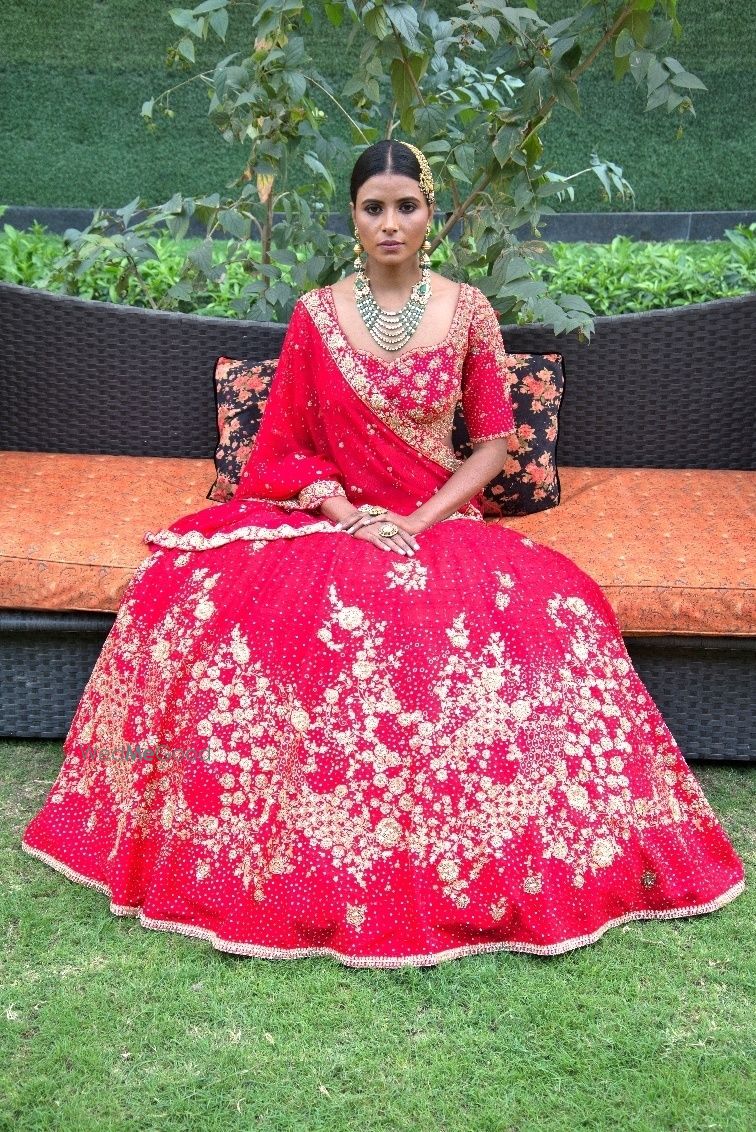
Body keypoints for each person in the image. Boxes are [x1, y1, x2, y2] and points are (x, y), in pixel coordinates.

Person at [21, 140, 744, 968]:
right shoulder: (316, 314)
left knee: (554, 617)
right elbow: (286, 445)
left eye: (407, 205)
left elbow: (495, 445)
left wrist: (421, 519)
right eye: (374, 207)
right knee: (217, 604)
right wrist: (352, 514)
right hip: (335, 520)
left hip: (439, 521)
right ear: (354, 217)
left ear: (430, 212)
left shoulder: (469, 309)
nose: (390, 222)